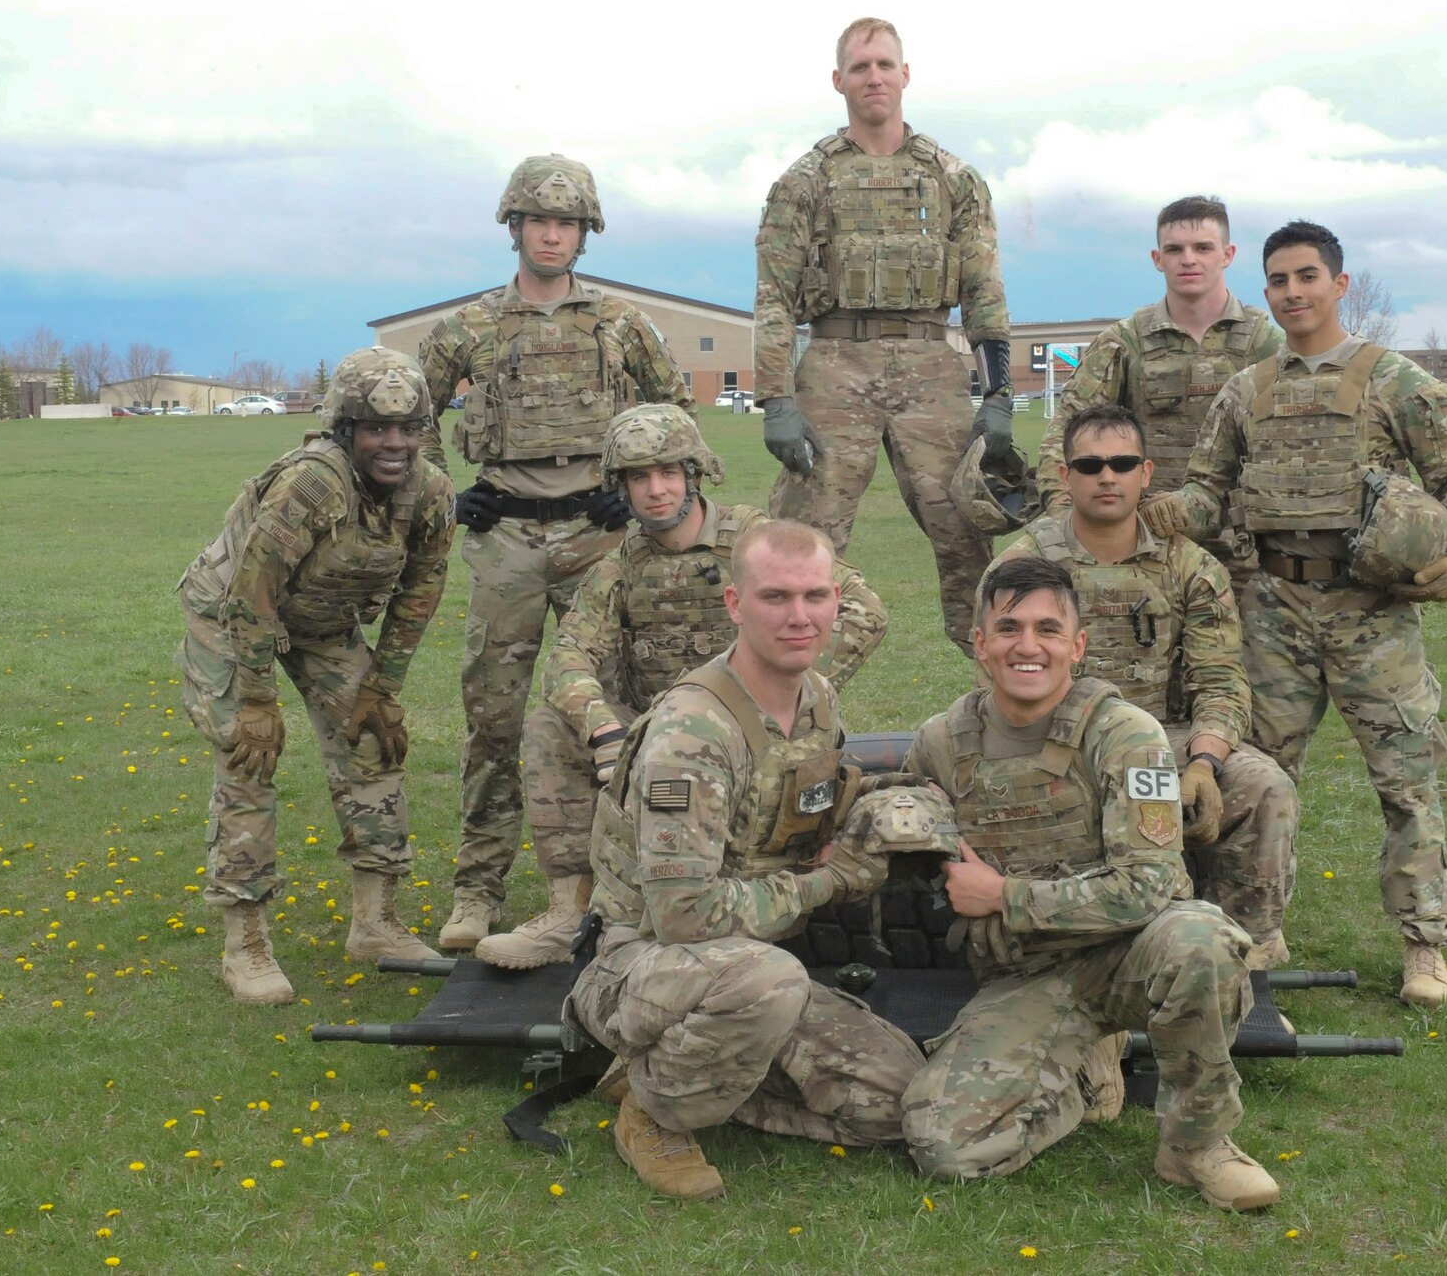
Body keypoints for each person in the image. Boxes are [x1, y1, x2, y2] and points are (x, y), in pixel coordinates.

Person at [1143, 219, 1447, 1008]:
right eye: (1278, 280)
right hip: (1272, 607)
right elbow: (1207, 491)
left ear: (1339, 283)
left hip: (1371, 611)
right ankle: (1253, 930)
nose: (1292, 293)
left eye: (1306, 277)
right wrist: (1146, 512)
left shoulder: (1395, 381)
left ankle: (1424, 943)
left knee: (1406, 777)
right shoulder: (1249, 390)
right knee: (1255, 778)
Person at [898, 557, 1278, 1211]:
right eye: (1008, 626)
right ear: (979, 641)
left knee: (1202, 939)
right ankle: (1073, 1072)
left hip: (1129, 956)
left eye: (1048, 628)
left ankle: (1197, 1142)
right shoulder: (942, 741)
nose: (1027, 645)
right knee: (948, 1148)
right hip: (1025, 976)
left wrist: (1004, 896)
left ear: (1076, 645)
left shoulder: (1128, 735)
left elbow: (1151, 885)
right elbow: (908, 824)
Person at [565, 520, 923, 1201]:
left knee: (897, 1101)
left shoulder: (815, 698)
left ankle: (686, 1071)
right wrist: (826, 881)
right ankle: (655, 1110)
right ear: (735, 604)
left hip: (746, 957)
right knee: (768, 981)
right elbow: (686, 916)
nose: (800, 616)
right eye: (776, 597)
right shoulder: (693, 733)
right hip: (642, 960)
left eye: (817, 596)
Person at [475, 404, 890, 967]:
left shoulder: (751, 542)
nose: (656, 490)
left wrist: (795, 689)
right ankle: (572, 910)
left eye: (669, 473)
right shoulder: (623, 564)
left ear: (694, 475)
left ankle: (752, 890)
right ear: (620, 486)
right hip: (661, 734)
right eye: (639, 477)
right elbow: (569, 654)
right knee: (551, 724)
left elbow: (862, 608)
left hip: (755, 725)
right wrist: (602, 727)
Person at [415, 154, 692, 951]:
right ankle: (477, 889)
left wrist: (633, 482)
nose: (550, 233)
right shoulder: (471, 326)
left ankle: (611, 882)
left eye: (566, 222)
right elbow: (406, 412)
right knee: (493, 716)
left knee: (606, 707)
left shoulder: (619, 322)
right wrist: (445, 493)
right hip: (506, 537)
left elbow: (675, 411)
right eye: (537, 219)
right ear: (514, 227)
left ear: (585, 233)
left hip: (599, 536)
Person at [175, 348, 453, 1004]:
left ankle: (376, 922)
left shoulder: (432, 494)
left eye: (408, 428)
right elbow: (251, 594)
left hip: (324, 618)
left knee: (374, 745)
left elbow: (420, 592)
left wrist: (382, 690)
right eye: (377, 428)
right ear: (346, 429)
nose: (394, 443)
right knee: (249, 759)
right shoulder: (312, 483)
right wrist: (256, 699)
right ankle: (244, 941)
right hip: (234, 615)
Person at [991, 403, 1296, 965]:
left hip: (1166, 744)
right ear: (1065, 477)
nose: (1107, 477)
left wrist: (1204, 763)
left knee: (1262, 786)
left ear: (1146, 474)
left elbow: (1220, 681)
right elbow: (1006, 681)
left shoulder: (1191, 568)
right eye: (1090, 465)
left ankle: (1245, 955)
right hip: (1057, 746)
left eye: (1123, 463)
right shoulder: (1024, 564)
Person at [754, 16, 1014, 654]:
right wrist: (777, 399)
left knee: (968, 540)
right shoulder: (805, 180)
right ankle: (787, 716)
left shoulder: (954, 178)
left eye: (885, 65)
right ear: (839, 80)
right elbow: (774, 296)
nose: (874, 77)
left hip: (931, 366)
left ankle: (1007, 708)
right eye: (861, 66)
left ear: (906, 75)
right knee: (804, 546)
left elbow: (984, 289)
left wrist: (999, 393)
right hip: (835, 364)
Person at [1035, 195, 1283, 588]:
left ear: (1228, 254)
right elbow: (1064, 436)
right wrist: (1063, 522)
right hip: (1146, 547)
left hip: (1245, 553)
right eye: (1175, 249)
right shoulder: (1125, 342)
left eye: (1203, 248)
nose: (1189, 259)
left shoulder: (1265, 342)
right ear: (1157, 258)